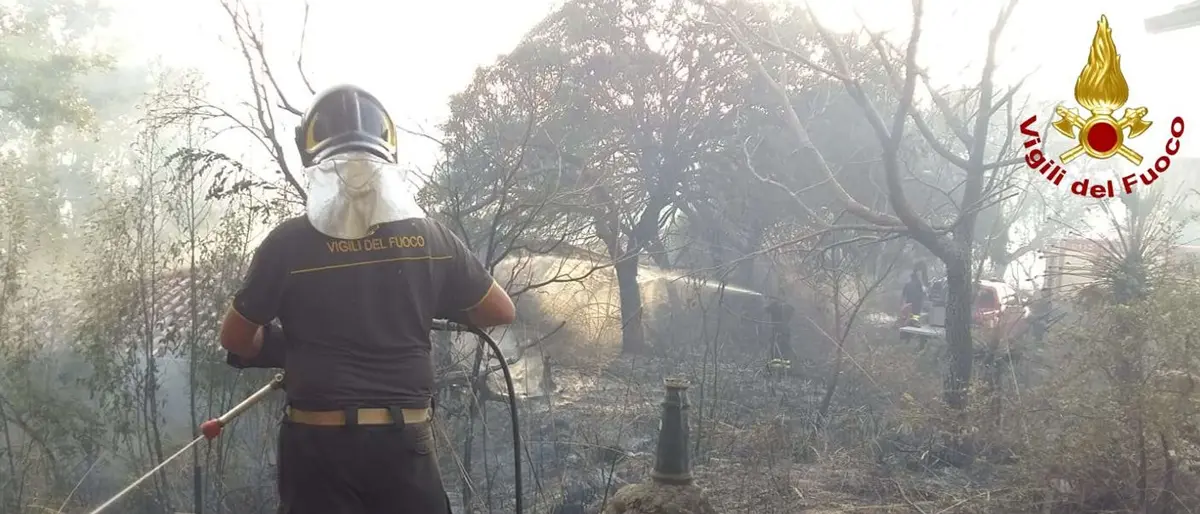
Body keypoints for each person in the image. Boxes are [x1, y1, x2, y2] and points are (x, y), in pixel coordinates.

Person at [219, 84, 516, 514]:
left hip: (319, 448)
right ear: (387, 158)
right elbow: (499, 310)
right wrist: (424, 305)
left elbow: (236, 339)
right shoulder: (431, 238)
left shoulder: (288, 244)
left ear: (314, 161)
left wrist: (290, 348)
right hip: (405, 444)